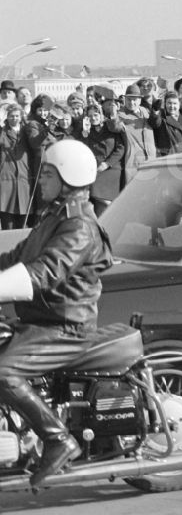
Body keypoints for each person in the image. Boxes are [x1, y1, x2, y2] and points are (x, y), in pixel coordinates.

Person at [0, 139, 113, 488]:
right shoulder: (54, 216)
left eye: (48, 173)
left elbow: (47, 271)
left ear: (69, 177)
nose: (41, 178)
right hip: (43, 319)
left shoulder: (78, 225)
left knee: (3, 372)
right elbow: (18, 256)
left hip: (66, 325)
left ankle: (57, 438)